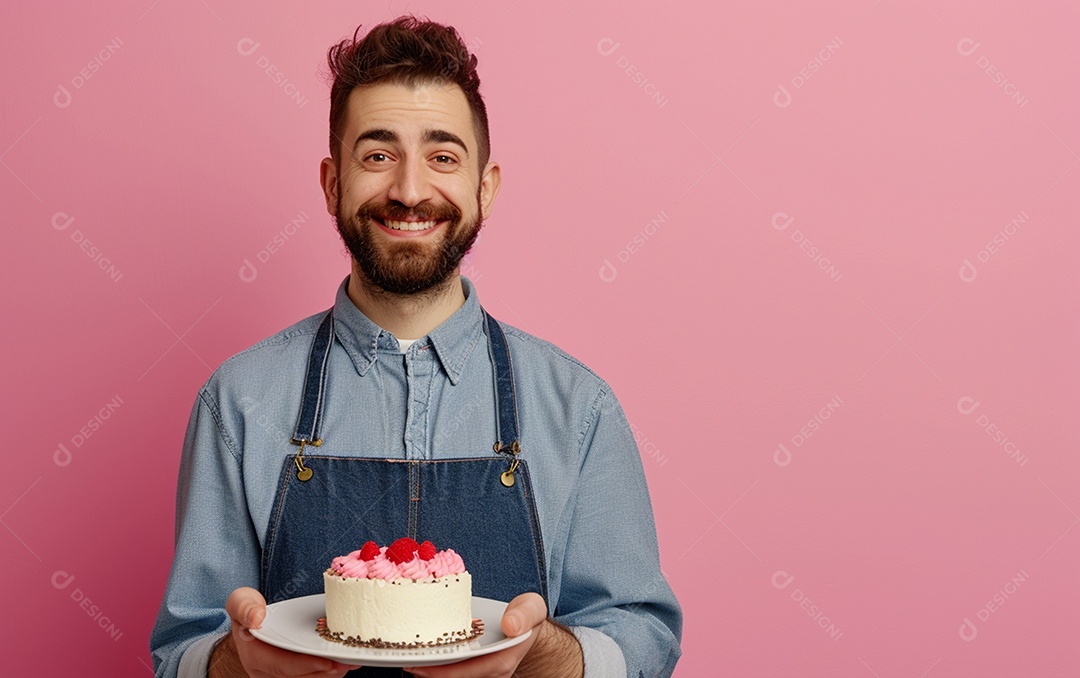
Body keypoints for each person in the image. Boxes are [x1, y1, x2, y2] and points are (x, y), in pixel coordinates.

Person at [150, 16, 681, 678]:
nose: (407, 190)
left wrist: (554, 658)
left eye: (442, 156)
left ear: (484, 188)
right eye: (377, 156)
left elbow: (643, 634)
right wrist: (235, 662)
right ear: (331, 184)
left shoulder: (580, 408)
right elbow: (181, 648)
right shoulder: (238, 401)